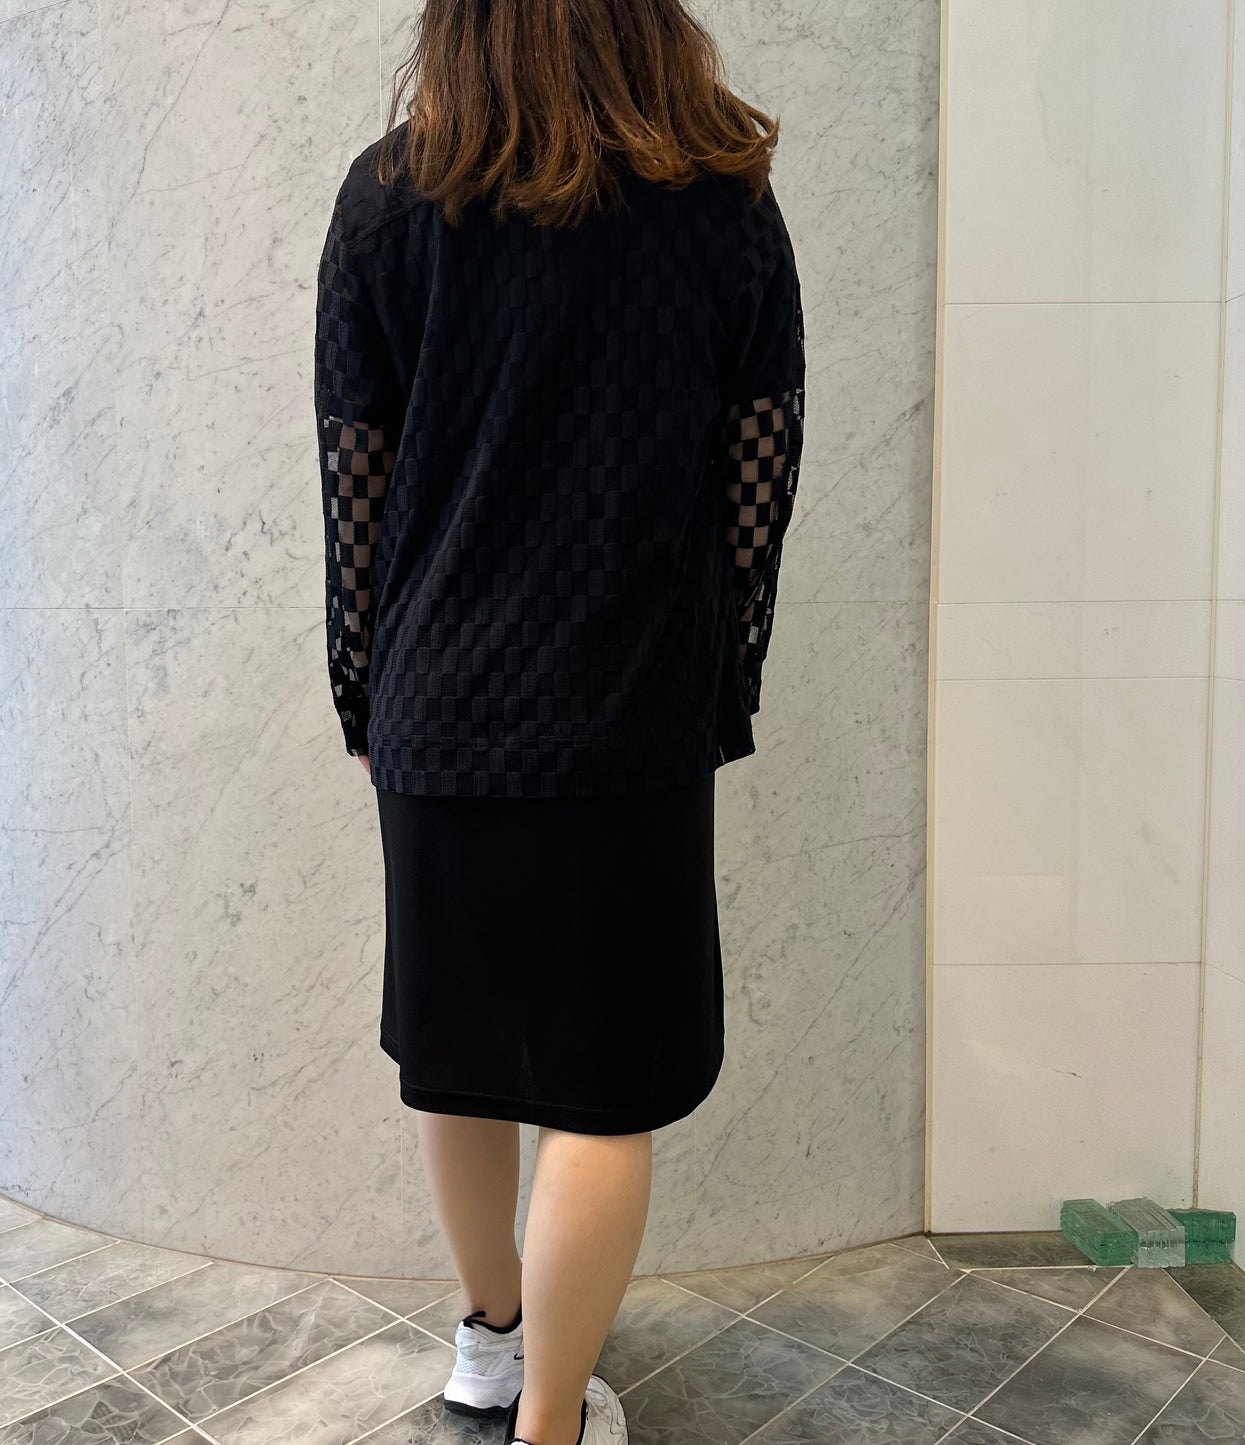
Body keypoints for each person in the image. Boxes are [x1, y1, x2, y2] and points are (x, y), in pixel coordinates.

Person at [313, 3, 805, 1441]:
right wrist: (720, 670)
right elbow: (759, 469)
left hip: (439, 702)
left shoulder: (389, 197)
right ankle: (548, 1425)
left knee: (459, 1057)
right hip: (629, 709)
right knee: (601, 1094)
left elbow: (355, 477)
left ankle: (491, 1342)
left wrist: (363, 685)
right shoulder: (720, 198)